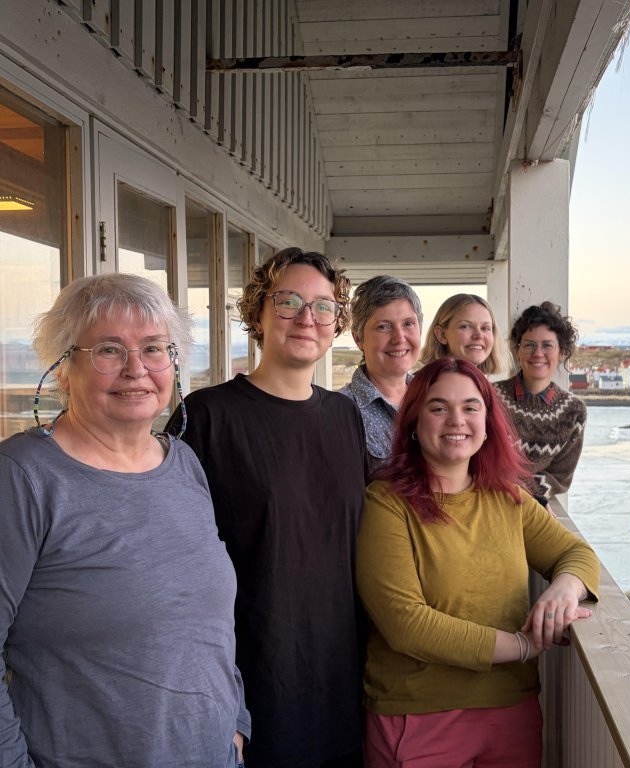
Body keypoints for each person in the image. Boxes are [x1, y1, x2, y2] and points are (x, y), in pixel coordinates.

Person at [0, 273, 250, 768]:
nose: (137, 369)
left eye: (155, 348)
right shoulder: (23, 478)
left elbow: (208, 623)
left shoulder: (182, 462)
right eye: (109, 351)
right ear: (64, 369)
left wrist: (236, 725)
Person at [167, 247, 367, 767]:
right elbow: (172, 563)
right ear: (257, 313)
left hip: (341, 682)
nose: (307, 318)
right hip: (251, 689)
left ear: (336, 323)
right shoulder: (206, 418)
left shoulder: (345, 416)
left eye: (324, 306)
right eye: (289, 301)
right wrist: (223, 706)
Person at [356, 357, 599, 768]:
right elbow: (406, 624)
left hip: (512, 709)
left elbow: (576, 554)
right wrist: (523, 646)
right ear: (414, 422)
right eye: (438, 407)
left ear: (488, 423)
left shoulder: (508, 498)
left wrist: (564, 589)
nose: (457, 420)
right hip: (419, 714)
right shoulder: (386, 504)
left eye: (471, 407)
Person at [494, 301, 587, 506]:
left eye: (547, 345)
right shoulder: (491, 397)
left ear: (561, 352)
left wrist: (520, 491)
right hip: (487, 503)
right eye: (529, 345)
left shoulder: (574, 412)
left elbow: (560, 477)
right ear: (517, 351)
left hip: (530, 507)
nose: (538, 353)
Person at [339, 275, 423, 475]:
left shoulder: (434, 396)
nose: (399, 338)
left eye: (408, 324)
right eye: (383, 326)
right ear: (359, 339)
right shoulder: (341, 410)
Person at [420, 293, 508, 375]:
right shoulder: (431, 384)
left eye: (485, 328)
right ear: (441, 335)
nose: (479, 335)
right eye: (465, 326)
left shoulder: (478, 384)